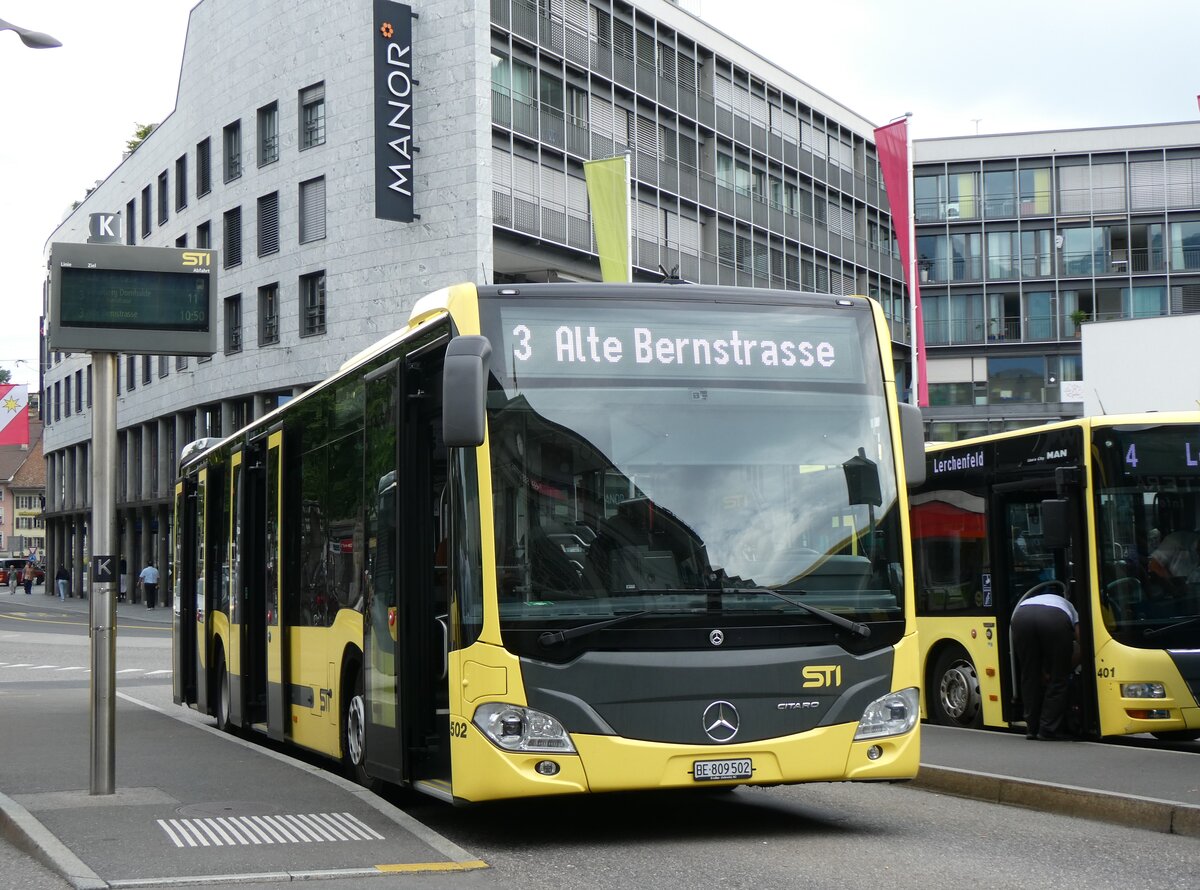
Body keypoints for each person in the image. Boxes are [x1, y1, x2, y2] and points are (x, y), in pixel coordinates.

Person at [1012, 584, 1080, 741]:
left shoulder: (1031, 599)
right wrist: (1068, 665)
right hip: (1054, 619)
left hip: (1021, 616)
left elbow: (1039, 654)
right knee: (1059, 678)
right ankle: (1048, 729)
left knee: (1029, 676)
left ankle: (1031, 728)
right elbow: (1081, 639)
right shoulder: (1068, 606)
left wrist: (1042, 671)